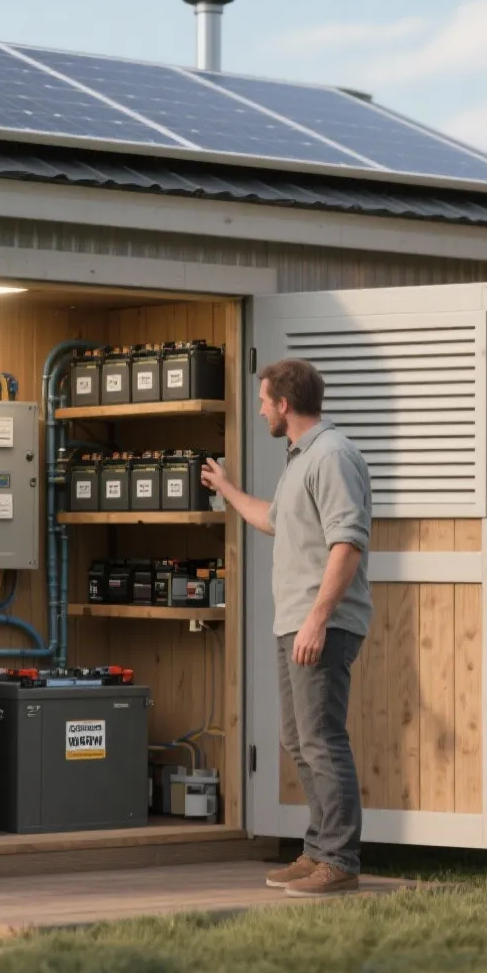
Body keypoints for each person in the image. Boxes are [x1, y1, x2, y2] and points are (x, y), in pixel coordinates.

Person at [201, 357, 373, 897]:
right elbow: (274, 518)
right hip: (294, 622)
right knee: (299, 740)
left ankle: (339, 859)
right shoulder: (299, 459)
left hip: (320, 623)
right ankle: (319, 849)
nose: (260, 409)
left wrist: (317, 621)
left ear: (284, 404)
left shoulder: (333, 456)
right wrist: (226, 488)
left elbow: (348, 544)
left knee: (321, 740)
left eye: (263, 400)